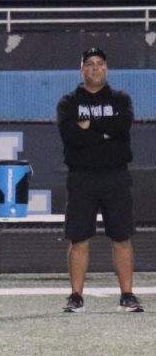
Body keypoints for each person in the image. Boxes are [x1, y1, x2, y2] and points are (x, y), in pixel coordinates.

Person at [56, 48, 144, 314]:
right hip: (82, 177)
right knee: (79, 237)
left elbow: (122, 128)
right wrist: (105, 131)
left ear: (107, 68)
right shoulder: (69, 102)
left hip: (115, 176)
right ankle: (76, 296)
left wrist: (91, 126)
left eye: (100, 64)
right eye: (89, 64)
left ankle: (127, 295)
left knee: (121, 236)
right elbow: (71, 137)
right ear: (82, 69)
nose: (95, 68)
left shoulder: (120, 99)